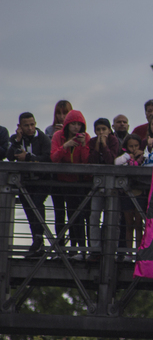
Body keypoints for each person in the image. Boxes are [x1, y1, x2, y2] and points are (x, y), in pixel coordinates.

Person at [6, 112, 52, 256]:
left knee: (37, 206)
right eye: (26, 125)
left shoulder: (43, 138)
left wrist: (29, 158)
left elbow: (47, 158)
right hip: (24, 183)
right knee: (28, 210)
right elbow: (9, 156)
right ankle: (37, 242)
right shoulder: (15, 139)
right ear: (20, 126)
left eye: (32, 124)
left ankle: (39, 239)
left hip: (42, 181)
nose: (30, 128)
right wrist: (17, 141)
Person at [50, 110, 91, 260]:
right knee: (60, 215)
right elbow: (54, 158)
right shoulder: (57, 136)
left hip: (77, 183)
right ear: (67, 124)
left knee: (76, 215)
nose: (76, 127)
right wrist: (65, 146)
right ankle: (60, 250)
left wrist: (85, 146)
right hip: (60, 182)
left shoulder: (85, 137)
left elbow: (87, 162)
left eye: (79, 124)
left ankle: (78, 249)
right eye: (73, 124)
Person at [87, 118, 120, 262]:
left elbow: (111, 160)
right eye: (98, 130)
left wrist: (105, 145)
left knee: (111, 217)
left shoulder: (114, 141)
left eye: (104, 129)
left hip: (112, 184)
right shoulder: (92, 142)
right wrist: (97, 147)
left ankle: (110, 248)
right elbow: (92, 162)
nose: (101, 133)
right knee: (94, 216)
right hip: (97, 184)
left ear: (109, 130)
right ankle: (95, 248)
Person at [45, 101, 72, 243]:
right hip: (56, 177)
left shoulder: (76, 131)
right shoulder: (49, 131)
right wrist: (56, 135)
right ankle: (60, 245)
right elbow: (50, 154)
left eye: (65, 113)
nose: (62, 117)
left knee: (74, 212)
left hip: (72, 178)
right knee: (59, 211)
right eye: (59, 113)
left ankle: (76, 246)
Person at [115, 134, 145, 262]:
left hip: (140, 192)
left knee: (139, 224)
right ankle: (128, 253)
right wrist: (129, 156)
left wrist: (141, 156)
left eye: (136, 146)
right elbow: (116, 163)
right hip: (127, 193)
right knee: (129, 224)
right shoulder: (124, 158)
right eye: (131, 146)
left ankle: (138, 251)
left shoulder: (144, 157)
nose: (133, 148)